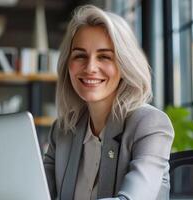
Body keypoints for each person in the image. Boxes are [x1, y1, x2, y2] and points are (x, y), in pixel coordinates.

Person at [43, 4, 174, 200]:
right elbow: (37, 191)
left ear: (124, 64)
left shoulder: (150, 124)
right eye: (80, 55)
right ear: (67, 65)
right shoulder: (62, 130)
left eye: (104, 57)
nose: (90, 67)